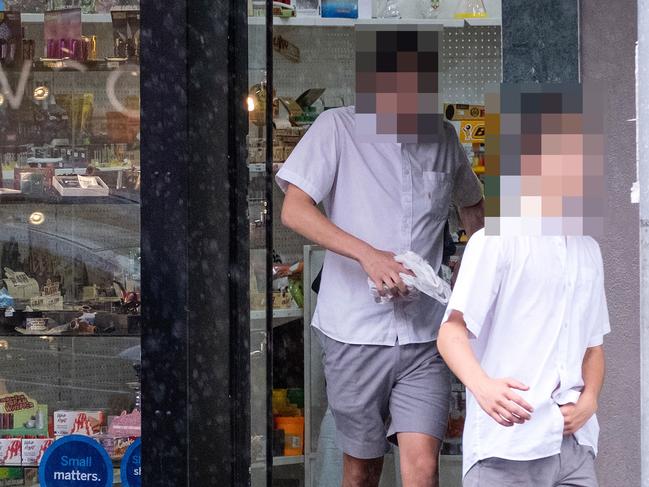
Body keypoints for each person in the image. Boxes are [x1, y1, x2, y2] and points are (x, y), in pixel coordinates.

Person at [437, 83, 609, 487]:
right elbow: (450, 332)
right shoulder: (493, 243)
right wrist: (483, 388)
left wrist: (590, 401)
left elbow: (594, 347)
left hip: (574, 448)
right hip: (506, 448)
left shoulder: (589, 250)